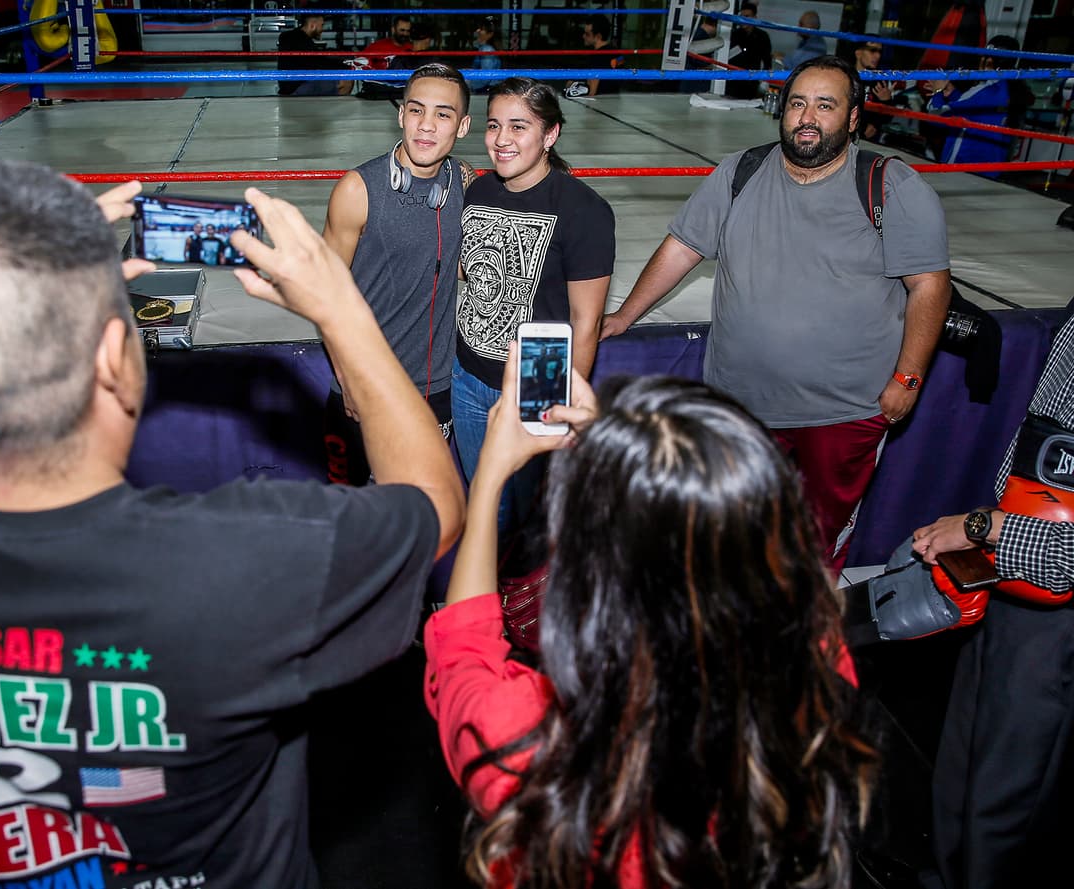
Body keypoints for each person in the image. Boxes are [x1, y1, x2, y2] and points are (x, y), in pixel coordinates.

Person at [0, 161, 465, 889]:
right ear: (117, 360)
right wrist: (343, 309)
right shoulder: (241, 563)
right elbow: (433, 499)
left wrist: (5, 282)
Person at [424, 350, 878, 887]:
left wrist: (490, 480)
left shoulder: (528, 748)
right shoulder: (816, 684)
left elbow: (463, 648)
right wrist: (619, 458)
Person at [602, 56, 950, 574]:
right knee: (730, 532)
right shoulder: (738, 173)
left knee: (816, 544)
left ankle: (802, 642)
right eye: (798, 104)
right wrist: (624, 315)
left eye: (825, 106)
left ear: (853, 117)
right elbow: (683, 246)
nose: (807, 117)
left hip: (843, 411)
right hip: (741, 403)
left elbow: (930, 285)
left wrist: (908, 377)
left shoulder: (890, 186)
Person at [910, 313, 1074, 889]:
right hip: (1019, 563)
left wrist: (984, 528)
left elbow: (1068, 560)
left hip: (1054, 588)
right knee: (965, 758)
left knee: (1010, 795)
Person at [454, 77, 614, 531]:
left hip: (535, 381)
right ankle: (491, 593)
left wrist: (557, 410)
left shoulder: (584, 210)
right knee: (482, 500)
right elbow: (472, 272)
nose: (502, 140)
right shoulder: (479, 191)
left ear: (550, 135)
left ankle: (511, 596)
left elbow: (586, 322)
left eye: (519, 127)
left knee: (515, 516)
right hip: (466, 372)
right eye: (493, 125)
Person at [322, 63, 475, 486]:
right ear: (400, 114)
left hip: (435, 387)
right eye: (416, 110)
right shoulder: (356, 190)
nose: (426, 126)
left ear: (462, 126)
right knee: (352, 516)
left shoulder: (463, 182)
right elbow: (324, 294)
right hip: (364, 383)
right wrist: (347, 377)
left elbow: (460, 267)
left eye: (443, 114)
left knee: (421, 513)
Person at [925, 35, 1030, 179]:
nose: (981, 60)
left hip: (962, 166)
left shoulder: (987, 89)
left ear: (991, 60)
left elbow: (936, 115)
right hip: (987, 169)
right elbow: (972, 110)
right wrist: (952, 93)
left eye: (985, 56)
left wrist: (937, 92)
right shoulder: (1008, 89)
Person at [277, 15, 352, 97]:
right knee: (347, 80)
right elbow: (319, 62)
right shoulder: (301, 39)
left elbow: (316, 59)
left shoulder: (296, 37)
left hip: (289, 87)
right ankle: (340, 108)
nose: (322, 29)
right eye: (321, 25)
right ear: (312, 25)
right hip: (296, 88)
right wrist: (346, 65)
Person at [564, 14, 622, 99]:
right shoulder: (616, 52)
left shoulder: (598, 56)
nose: (583, 36)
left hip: (600, 105)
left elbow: (592, 91)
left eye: (587, 34)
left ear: (598, 36)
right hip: (615, 101)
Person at [852, 35, 898, 142]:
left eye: (879, 52)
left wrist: (886, 101)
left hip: (868, 141)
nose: (877, 56)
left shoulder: (880, 80)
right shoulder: (844, 77)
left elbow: (887, 119)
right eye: (872, 51)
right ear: (858, 53)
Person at [726, 3, 772, 99]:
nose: (743, 19)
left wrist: (764, 82)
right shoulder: (733, 35)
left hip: (751, 83)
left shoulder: (762, 37)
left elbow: (767, 61)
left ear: (754, 17)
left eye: (747, 16)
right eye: (741, 16)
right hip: (731, 81)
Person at [470, 18, 504, 93]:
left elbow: (485, 77)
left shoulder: (487, 50)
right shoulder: (485, 48)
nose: (478, 31)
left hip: (485, 91)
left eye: (482, 29)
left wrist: (470, 84)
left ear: (490, 34)